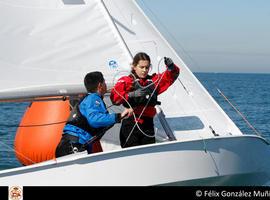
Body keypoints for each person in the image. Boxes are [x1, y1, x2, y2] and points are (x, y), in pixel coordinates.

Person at [55, 71, 133, 157]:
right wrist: (119, 116)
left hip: (72, 144)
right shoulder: (93, 98)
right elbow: (94, 119)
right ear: (100, 85)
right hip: (73, 145)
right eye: (104, 82)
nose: (106, 84)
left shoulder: (89, 99)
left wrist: (117, 118)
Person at [110, 52, 180, 148]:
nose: (144, 70)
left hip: (148, 125)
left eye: (147, 67)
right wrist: (130, 94)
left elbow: (170, 77)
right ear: (134, 66)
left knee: (149, 154)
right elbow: (115, 98)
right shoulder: (126, 81)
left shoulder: (154, 81)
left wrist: (171, 67)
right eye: (141, 67)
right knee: (131, 155)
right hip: (131, 124)